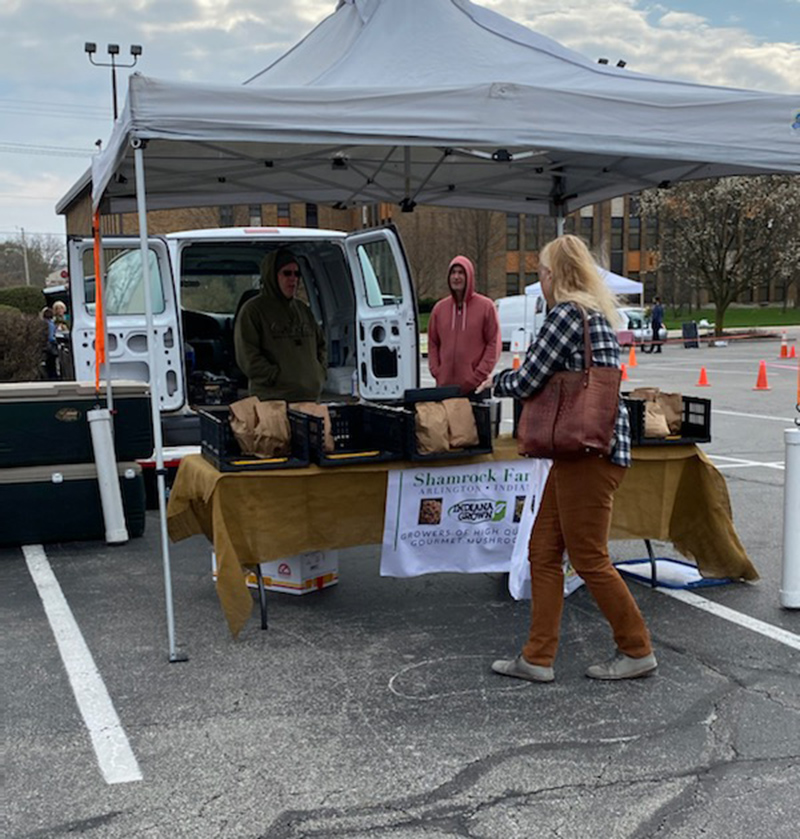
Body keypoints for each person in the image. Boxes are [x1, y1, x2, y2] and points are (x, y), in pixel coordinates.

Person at [479, 234, 656, 683]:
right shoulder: (596, 315)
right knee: (544, 550)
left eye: (542, 271)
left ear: (553, 275)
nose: (541, 279)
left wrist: (493, 384)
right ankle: (537, 657)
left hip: (585, 453)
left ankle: (636, 648)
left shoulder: (563, 315)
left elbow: (530, 377)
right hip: (591, 451)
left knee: (589, 557)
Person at [234, 249, 327, 401]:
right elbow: (248, 356)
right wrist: (275, 376)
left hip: (310, 401)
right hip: (272, 402)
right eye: (287, 273)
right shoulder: (253, 311)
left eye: (297, 274)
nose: (293, 279)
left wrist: (319, 372)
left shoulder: (303, 310)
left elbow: (321, 345)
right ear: (272, 275)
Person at [427, 255, 501, 395]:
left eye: (461, 273)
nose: (456, 277)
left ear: (469, 276)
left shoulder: (486, 307)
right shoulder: (439, 309)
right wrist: (437, 371)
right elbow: (433, 343)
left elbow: (493, 344)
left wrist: (477, 375)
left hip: (476, 388)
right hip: (445, 387)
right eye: (453, 273)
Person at [40, 307, 59, 379]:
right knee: (52, 363)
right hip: (51, 346)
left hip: (46, 346)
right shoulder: (51, 324)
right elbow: (51, 337)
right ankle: (53, 377)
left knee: (48, 363)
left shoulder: (44, 323)